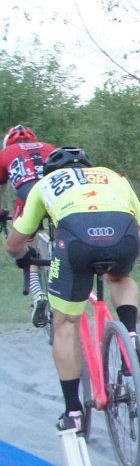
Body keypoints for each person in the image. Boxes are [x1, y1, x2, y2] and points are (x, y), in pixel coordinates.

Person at [4, 147, 140, 434]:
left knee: (66, 323)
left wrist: (24, 257)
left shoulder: (44, 184)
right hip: (123, 239)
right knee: (120, 278)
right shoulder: (115, 177)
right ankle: (131, 335)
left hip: (76, 244)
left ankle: (73, 412)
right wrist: (124, 256)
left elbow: (15, 243)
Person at [0, 124, 60, 327]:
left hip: (27, 197)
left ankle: (38, 295)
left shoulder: (5, 153)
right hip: (58, 196)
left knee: (23, 245)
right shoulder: (49, 146)